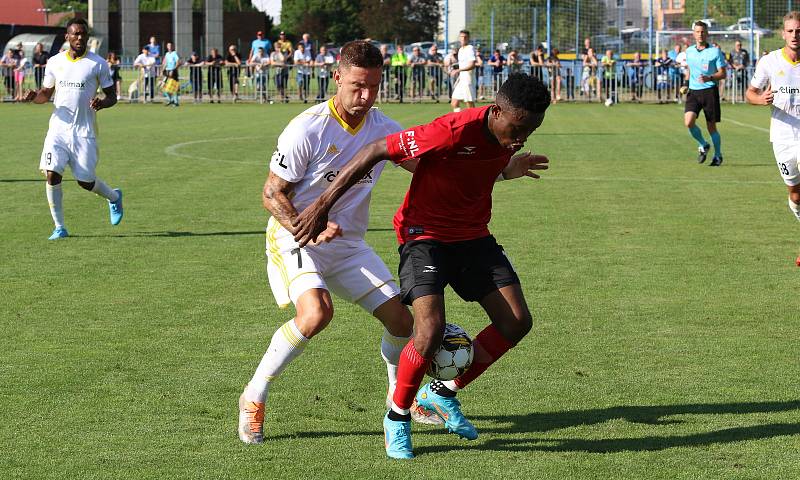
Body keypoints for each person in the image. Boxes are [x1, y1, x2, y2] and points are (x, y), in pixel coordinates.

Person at [291, 73, 551, 459]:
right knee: (428, 331)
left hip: (473, 236)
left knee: (516, 321)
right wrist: (321, 205)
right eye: (517, 127)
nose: (521, 138)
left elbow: (471, 168)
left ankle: (440, 394)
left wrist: (504, 169)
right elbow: (377, 148)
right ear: (496, 111)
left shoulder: (506, 137)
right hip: (423, 236)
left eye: (531, 129)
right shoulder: (450, 130)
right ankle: (397, 418)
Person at [238, 40, 414, 445]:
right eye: (357, 86)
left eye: (373, 87)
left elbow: (431, 168)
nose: (365, 96)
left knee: (403, 322)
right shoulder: (308, 127)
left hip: (349, 245)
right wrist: (310, 227)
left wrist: (498, 169)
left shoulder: (385, 129)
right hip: (295, 236)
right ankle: (254, 395)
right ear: (337, 77)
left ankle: (398, 401)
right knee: (316, 313)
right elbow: (270, 193)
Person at [22, 17, 123, 240]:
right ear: (67, 37)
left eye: (83, 34)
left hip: (84, 131)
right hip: (58, 130)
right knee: (52, 174)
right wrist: (34, 97)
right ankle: (60, 227)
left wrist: (102, 103)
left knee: (85, 181)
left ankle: (114, 197)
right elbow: (45, 95)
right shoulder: (55, 62)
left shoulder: (97, 63)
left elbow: (112, 96)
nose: (79, 37)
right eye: (75, 34)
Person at [746, 11, 800, 266]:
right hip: (782, 137)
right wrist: (760, 99)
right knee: (796, 194)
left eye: (798, 31)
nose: (795, 35)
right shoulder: (770, 62)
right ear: (783, 33)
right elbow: (750, 93)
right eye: (790, 31)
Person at [683, 21, 727, 166]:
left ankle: (718, 155)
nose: (700, 34)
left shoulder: (715, 51)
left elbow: (723, 73)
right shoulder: (689, 51)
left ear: (707, 33)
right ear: (693, 34)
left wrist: (710, 77)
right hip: (694, 92)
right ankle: (703, 144)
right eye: (697, 31)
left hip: (709, 91)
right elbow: (689, 69)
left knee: (711, 127)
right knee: (688, 122)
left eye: (703, 32)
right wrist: (685, 84)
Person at [451, 30, 477, 112]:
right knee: (454, 102)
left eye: (465, 37)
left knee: (469, 104)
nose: (463, 38)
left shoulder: (470, 48)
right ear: (459, 38)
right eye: (462, 37)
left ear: (468, 38)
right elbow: (463, 64)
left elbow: (472, 65)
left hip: (468, 80)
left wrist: (458, 70)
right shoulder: (461, 50)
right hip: (462, 79)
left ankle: (475, 122)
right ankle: (459, 121)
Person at [162, 42, 181, 106]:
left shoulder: (174, 53)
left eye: (170, 46)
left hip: (173, 72)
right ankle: (171, 100)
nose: (169, 47)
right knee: (163, 87)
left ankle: (176, 102)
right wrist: (162, 70)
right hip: (167, 72)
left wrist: (173, 70)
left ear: (172, 47)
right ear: (167, 47)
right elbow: (165, 62)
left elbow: (178, 62)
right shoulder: (167, 54)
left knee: (173, 87)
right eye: (168, 45)